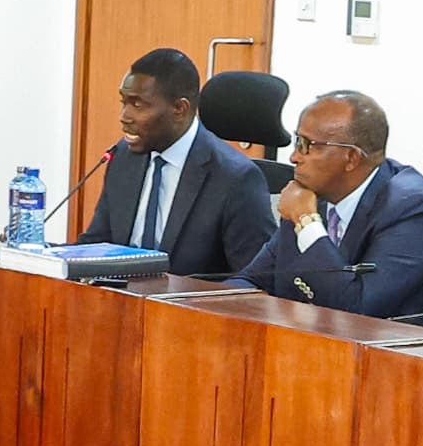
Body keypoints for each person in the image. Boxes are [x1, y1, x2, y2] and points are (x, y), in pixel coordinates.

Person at [236, 89, 423, 321]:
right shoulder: (315, 194)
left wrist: (306, 222)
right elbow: (253, 278)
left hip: (393, 352)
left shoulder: (414, 210)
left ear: (351, 158)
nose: (294, 157)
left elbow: (355, 311)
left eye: (307, 145)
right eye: (297, 141)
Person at [77, 48, 275, 280]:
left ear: (180, 109)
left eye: (138, 105)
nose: (124, 116)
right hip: (121, 303)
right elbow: (97, 243)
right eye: (124, 102)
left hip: (187, 310)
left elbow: (255, 279)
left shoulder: (235, 178)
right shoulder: (123, 156)